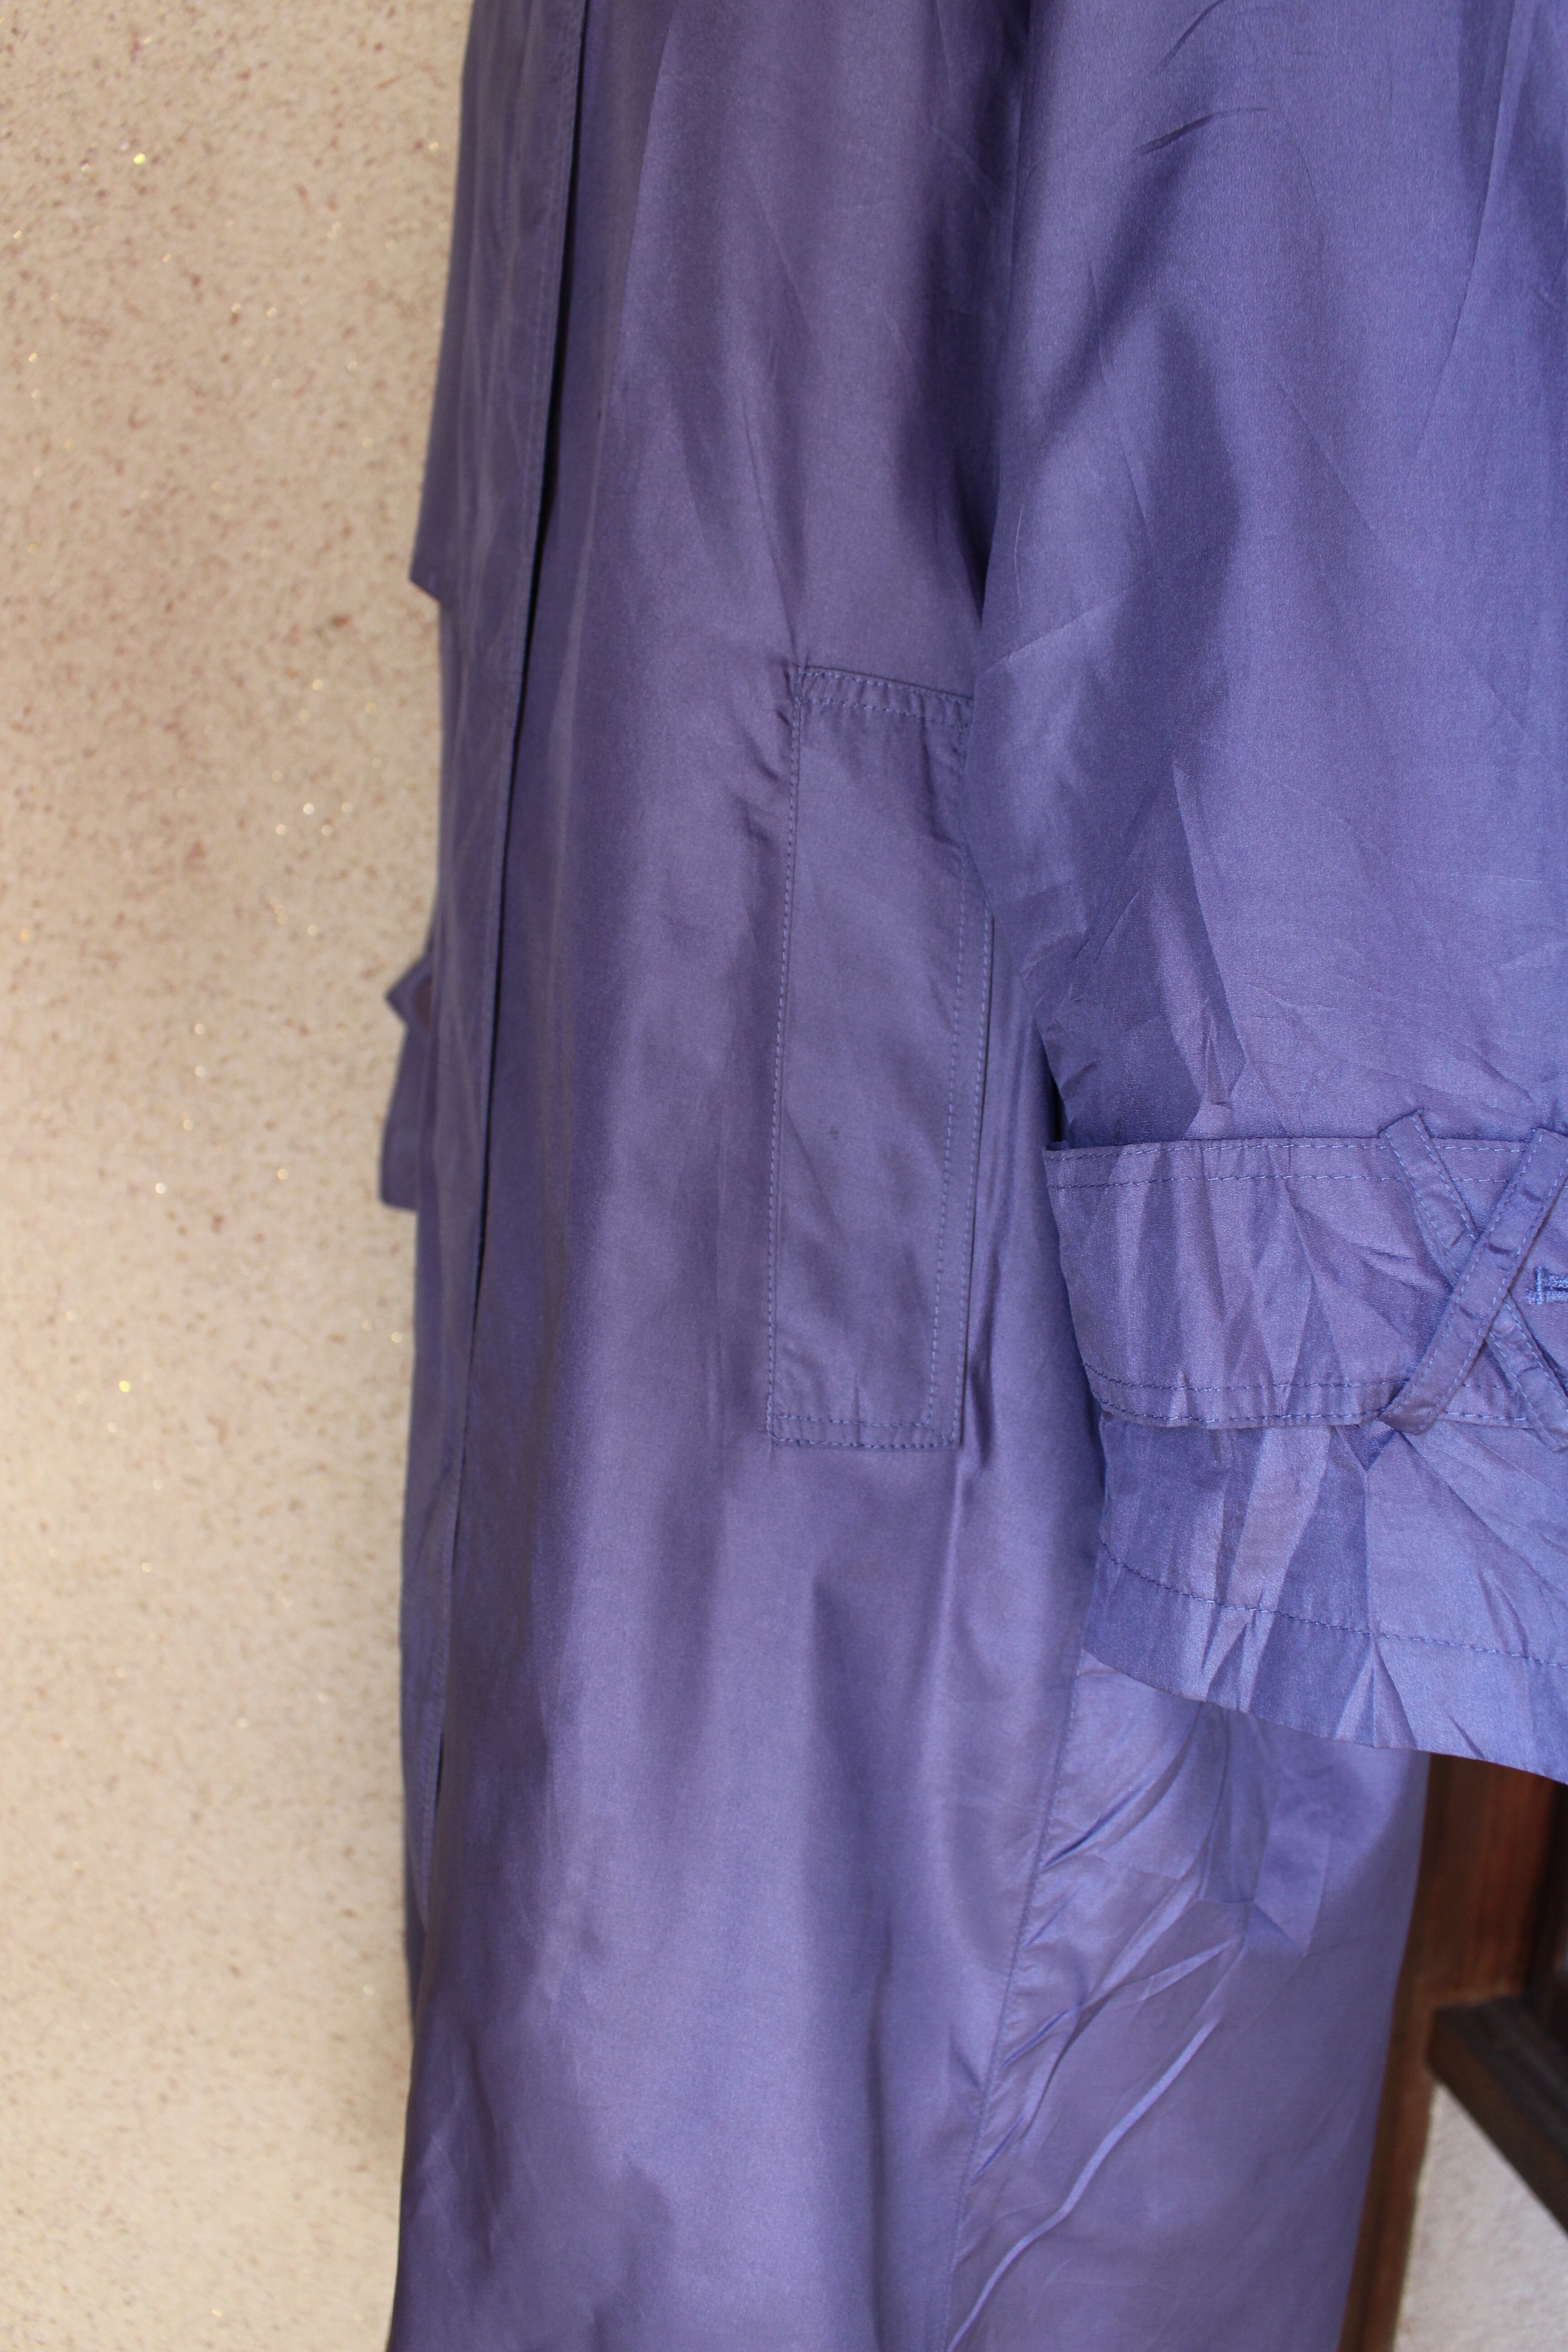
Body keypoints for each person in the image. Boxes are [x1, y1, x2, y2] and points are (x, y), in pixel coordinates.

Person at [380, 3, 1568, 2342]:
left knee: (865, 2196)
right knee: (596, 2134)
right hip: (642, 1259)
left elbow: (1336, 394)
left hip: (990, 1437)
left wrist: (1354, 1442)